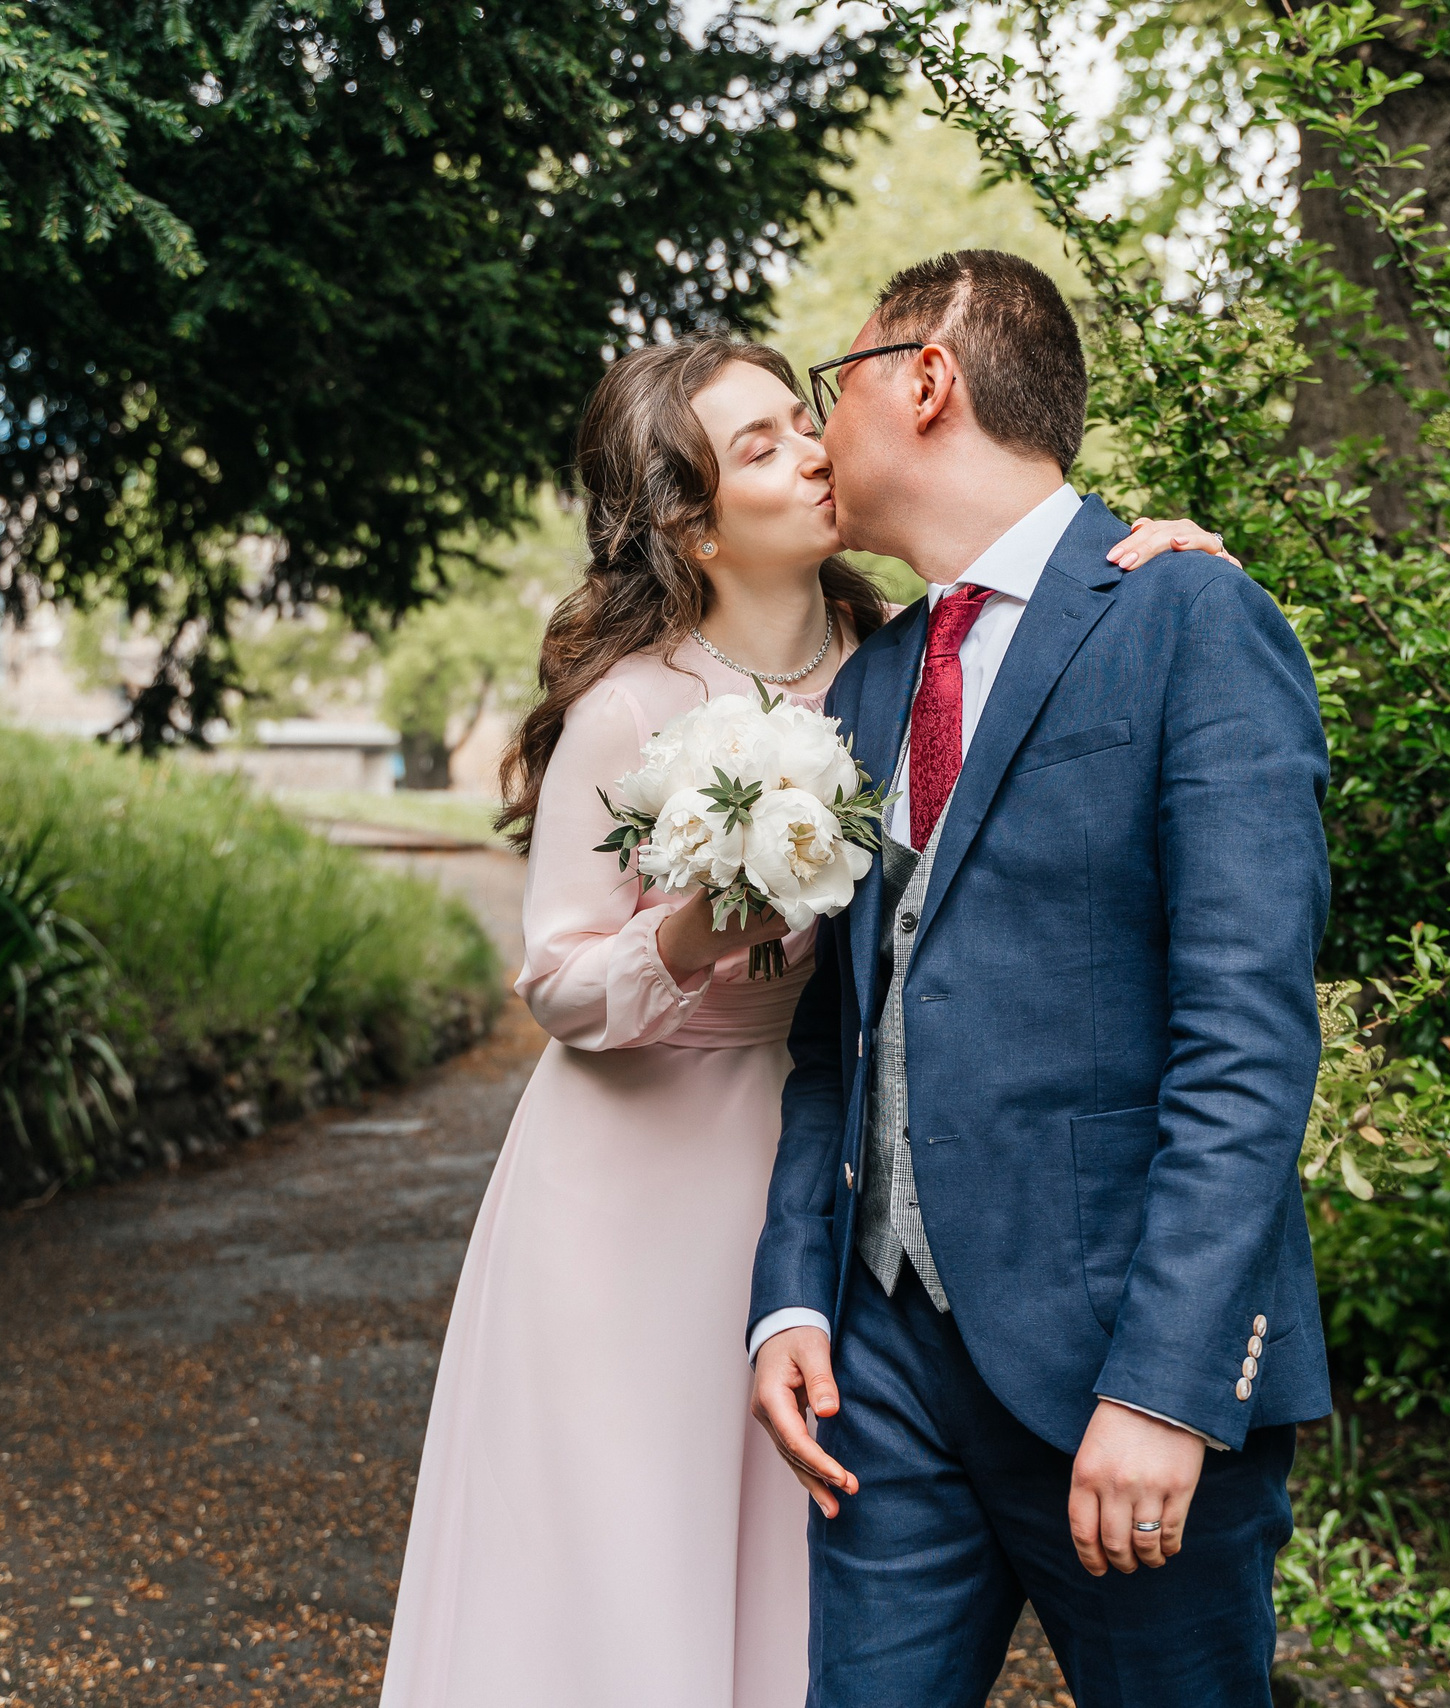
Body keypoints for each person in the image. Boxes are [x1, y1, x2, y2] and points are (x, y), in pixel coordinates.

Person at [376, 335, 1231, 1708]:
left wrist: (1158, 564)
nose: (816, 450)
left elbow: (1036, 604)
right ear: (689, 524)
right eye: (761, 446)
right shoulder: (631, 707)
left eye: (800, 418)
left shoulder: (895, 671)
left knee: (799, 1547)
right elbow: (555, 983)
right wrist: (698, 930)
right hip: (629, 1183)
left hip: (812, 1165)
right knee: (626, 1543)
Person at [747, 250, 1332, 1708]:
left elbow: (1246, 1039)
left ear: (926, 378)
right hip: (880, 1377)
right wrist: (793, 1304)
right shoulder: (873, 684)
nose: (820, 435)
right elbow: (838, 1034)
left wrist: (1164, 1389)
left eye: (839, 387)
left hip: (1118, 1378)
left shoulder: (1191, 617)